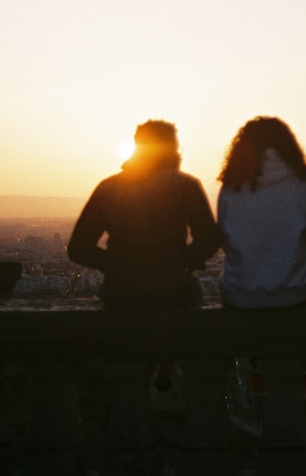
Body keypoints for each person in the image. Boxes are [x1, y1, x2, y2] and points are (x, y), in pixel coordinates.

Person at [68, 119, 221, 394]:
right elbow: (209, 239)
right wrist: (183, 260)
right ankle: (165, 377)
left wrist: (113, 264)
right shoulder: (185, 185)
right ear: (173, 149)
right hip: (172, 292)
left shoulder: (109, 187)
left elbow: (78, 248)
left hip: (121, 294)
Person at [216, 116, 306, 309]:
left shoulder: (232, 186)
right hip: (294, 296)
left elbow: (225, 239)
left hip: (240, 296)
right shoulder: (302, 184)